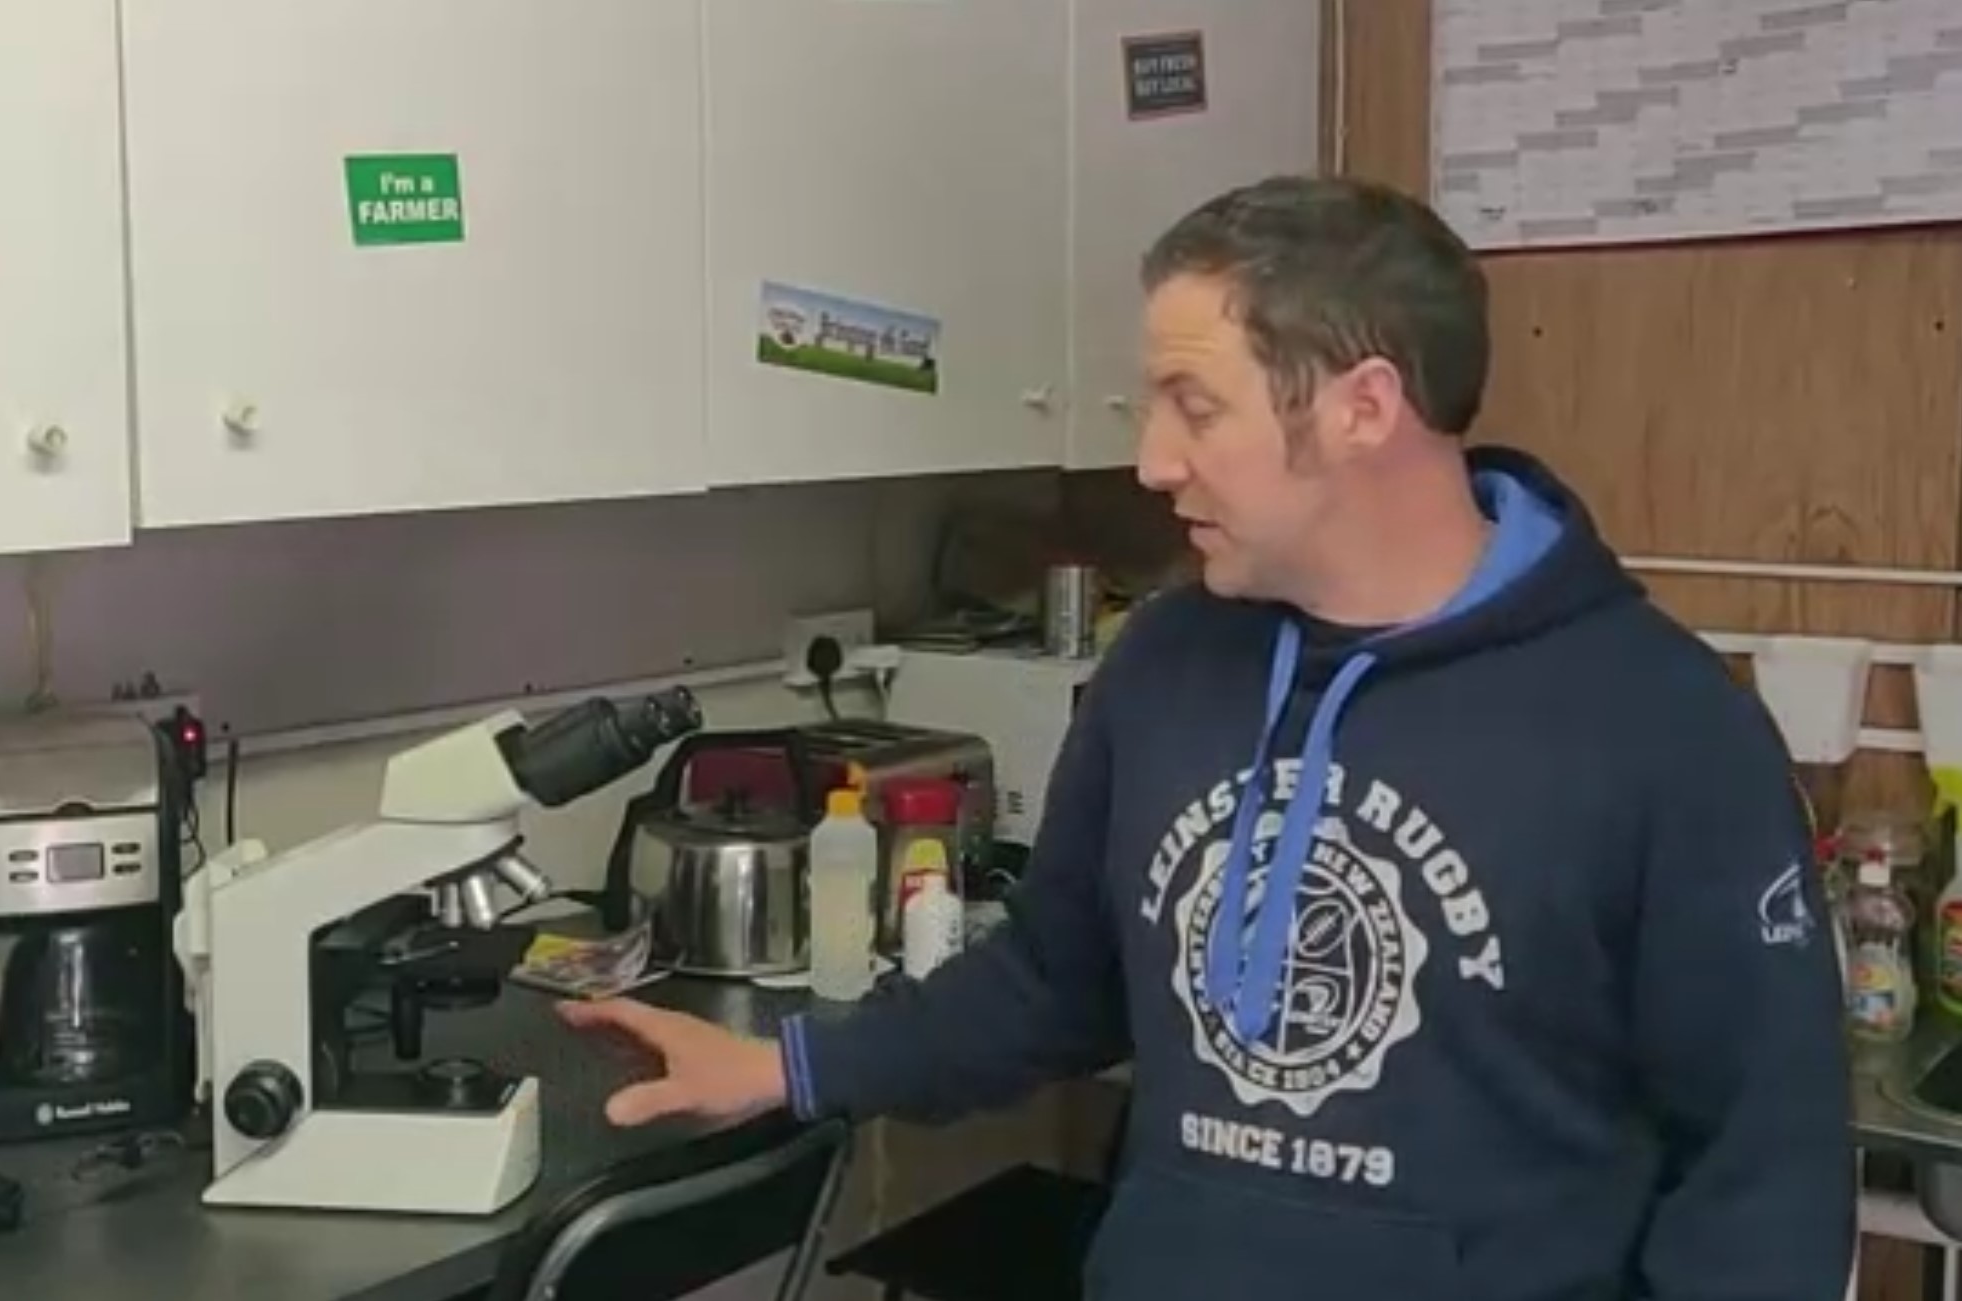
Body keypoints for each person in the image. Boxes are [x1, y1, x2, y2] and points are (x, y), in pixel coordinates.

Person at [558, 174, 1856, 1299]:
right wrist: (787, 1061)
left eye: (1195, 403)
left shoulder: (1663, 725)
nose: (1154, 462)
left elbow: (1765, 1172)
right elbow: (1053, 981)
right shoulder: (1170, 663)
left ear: (1362, 404)